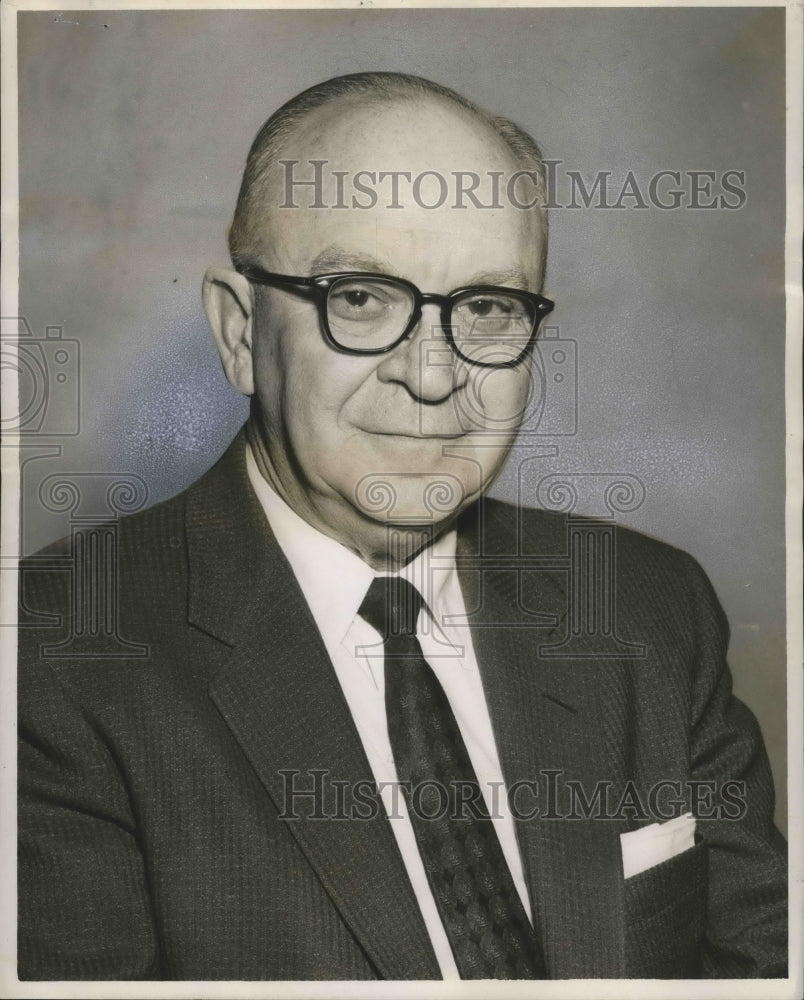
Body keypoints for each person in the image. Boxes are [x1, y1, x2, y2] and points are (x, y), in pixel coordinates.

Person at [17, 72, 786, 981]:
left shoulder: (647, 608)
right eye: (361, 299)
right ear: (237, 332)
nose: (430, 376)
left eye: (489, 307)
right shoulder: (55, 659)